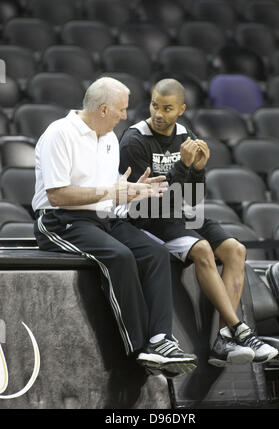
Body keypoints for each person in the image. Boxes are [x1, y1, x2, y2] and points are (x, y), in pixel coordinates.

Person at [31, 77, 198, 378]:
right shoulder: (60, 133)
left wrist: (134, 190)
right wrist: (112, 192)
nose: (125, 116)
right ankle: (139, 348)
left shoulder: (108, 138)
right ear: (104, 109)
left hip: (104, 217)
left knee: (155, 253)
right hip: (61, 220)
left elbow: (111, 190)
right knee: (120, 256)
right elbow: (58, 195)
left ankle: (161, 339)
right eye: (121, 110)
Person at [119, 78, 279, 366]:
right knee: (203, 249)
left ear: (181, 109)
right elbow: (148, 200)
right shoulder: (134, 140)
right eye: (155, 105)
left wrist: (199, 171)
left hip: (181, 212)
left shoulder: (185, 135)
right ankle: (240, 329)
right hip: (148, 218)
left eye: (167, 108)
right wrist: (182, 167)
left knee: (236, 250)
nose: (158, 113)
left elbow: (192, 199)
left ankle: (223, 339)